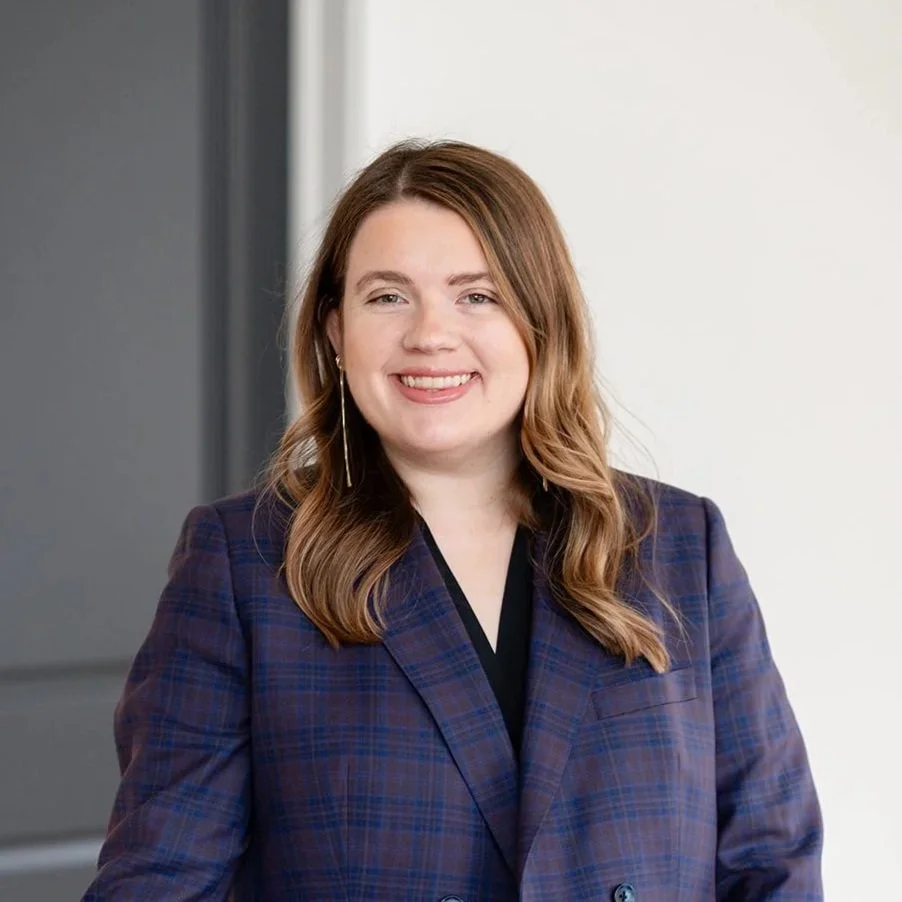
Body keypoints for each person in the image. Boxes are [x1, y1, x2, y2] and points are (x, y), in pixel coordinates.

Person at [82, 140, 823, 901]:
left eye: (478, 295)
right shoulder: (243, 565)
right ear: (336, 332)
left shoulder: (677, 546)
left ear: (540, 322)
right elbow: (159, 886)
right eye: (387, 296)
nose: (431, 335)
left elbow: (772, 863)